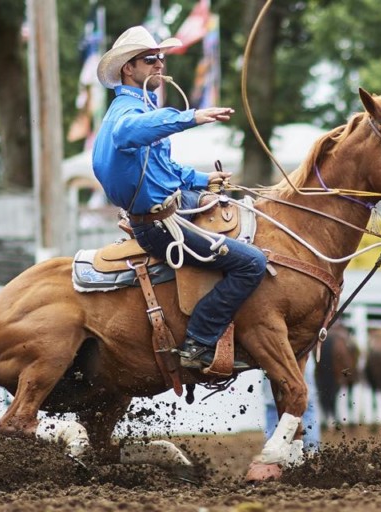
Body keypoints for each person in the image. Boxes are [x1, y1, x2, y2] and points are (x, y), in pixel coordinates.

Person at [92, 26, 267, 370]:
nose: (159, 64)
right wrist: (190, 117)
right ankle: (198, 343)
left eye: (160, 58)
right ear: (129, 68)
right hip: (158, 225)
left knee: (240, 214)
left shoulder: (141, 107)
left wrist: (203, 180)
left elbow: (163, 166)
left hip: (170, 207)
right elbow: (129, 132)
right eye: (150, 59)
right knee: (252, 263)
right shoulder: (126, 114)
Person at [262, 363, 321, 452]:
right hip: (301, 358)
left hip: (273, 360)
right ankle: (311, 449)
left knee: (273, 404)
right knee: (307, 404)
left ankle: (273, 450)